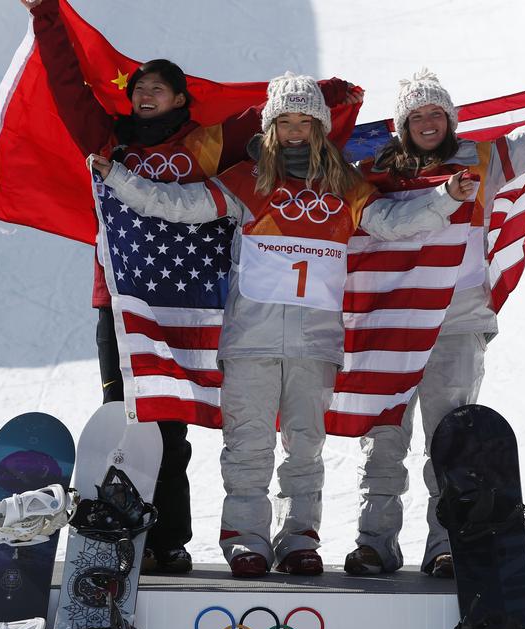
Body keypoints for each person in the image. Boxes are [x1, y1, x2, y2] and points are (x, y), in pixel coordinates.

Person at [94, 73, 476, 578]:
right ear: (272, 126)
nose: (296, 130)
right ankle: (245, 540)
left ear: (320, 127)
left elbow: (393, 222)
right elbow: (179, 205)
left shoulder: (344, 186)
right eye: (286, 121)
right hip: (250, 341)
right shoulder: (246, 179)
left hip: (315, 345)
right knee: (249, 446)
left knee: (305, 448)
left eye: (307, 121)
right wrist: (120, 179)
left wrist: (447, 195)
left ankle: (299, 539)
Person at [21, 0, 355, 574]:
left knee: (171, 425)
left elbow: (278, 125)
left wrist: (330, 94)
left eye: (160, 88)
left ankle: (169, 539)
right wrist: (46, 14)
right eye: (140, 87)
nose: (146, 95)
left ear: (181, 99)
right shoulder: (107, 142)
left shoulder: (207, 144)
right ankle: (122, 531)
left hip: (191, 303)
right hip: (122, 302)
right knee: (127, 417)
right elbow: (67, 86)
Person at [344, 69, 525, 578]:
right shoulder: (374, 171)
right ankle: (375, 544)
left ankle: (446, 545)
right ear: (402, 124)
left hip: (456, 321)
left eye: (437, 112)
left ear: (451, 118)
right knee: (383, 439)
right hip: (389, 322)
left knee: (450, 439)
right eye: (417, 115)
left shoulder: (482, 161)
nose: (428, 122)